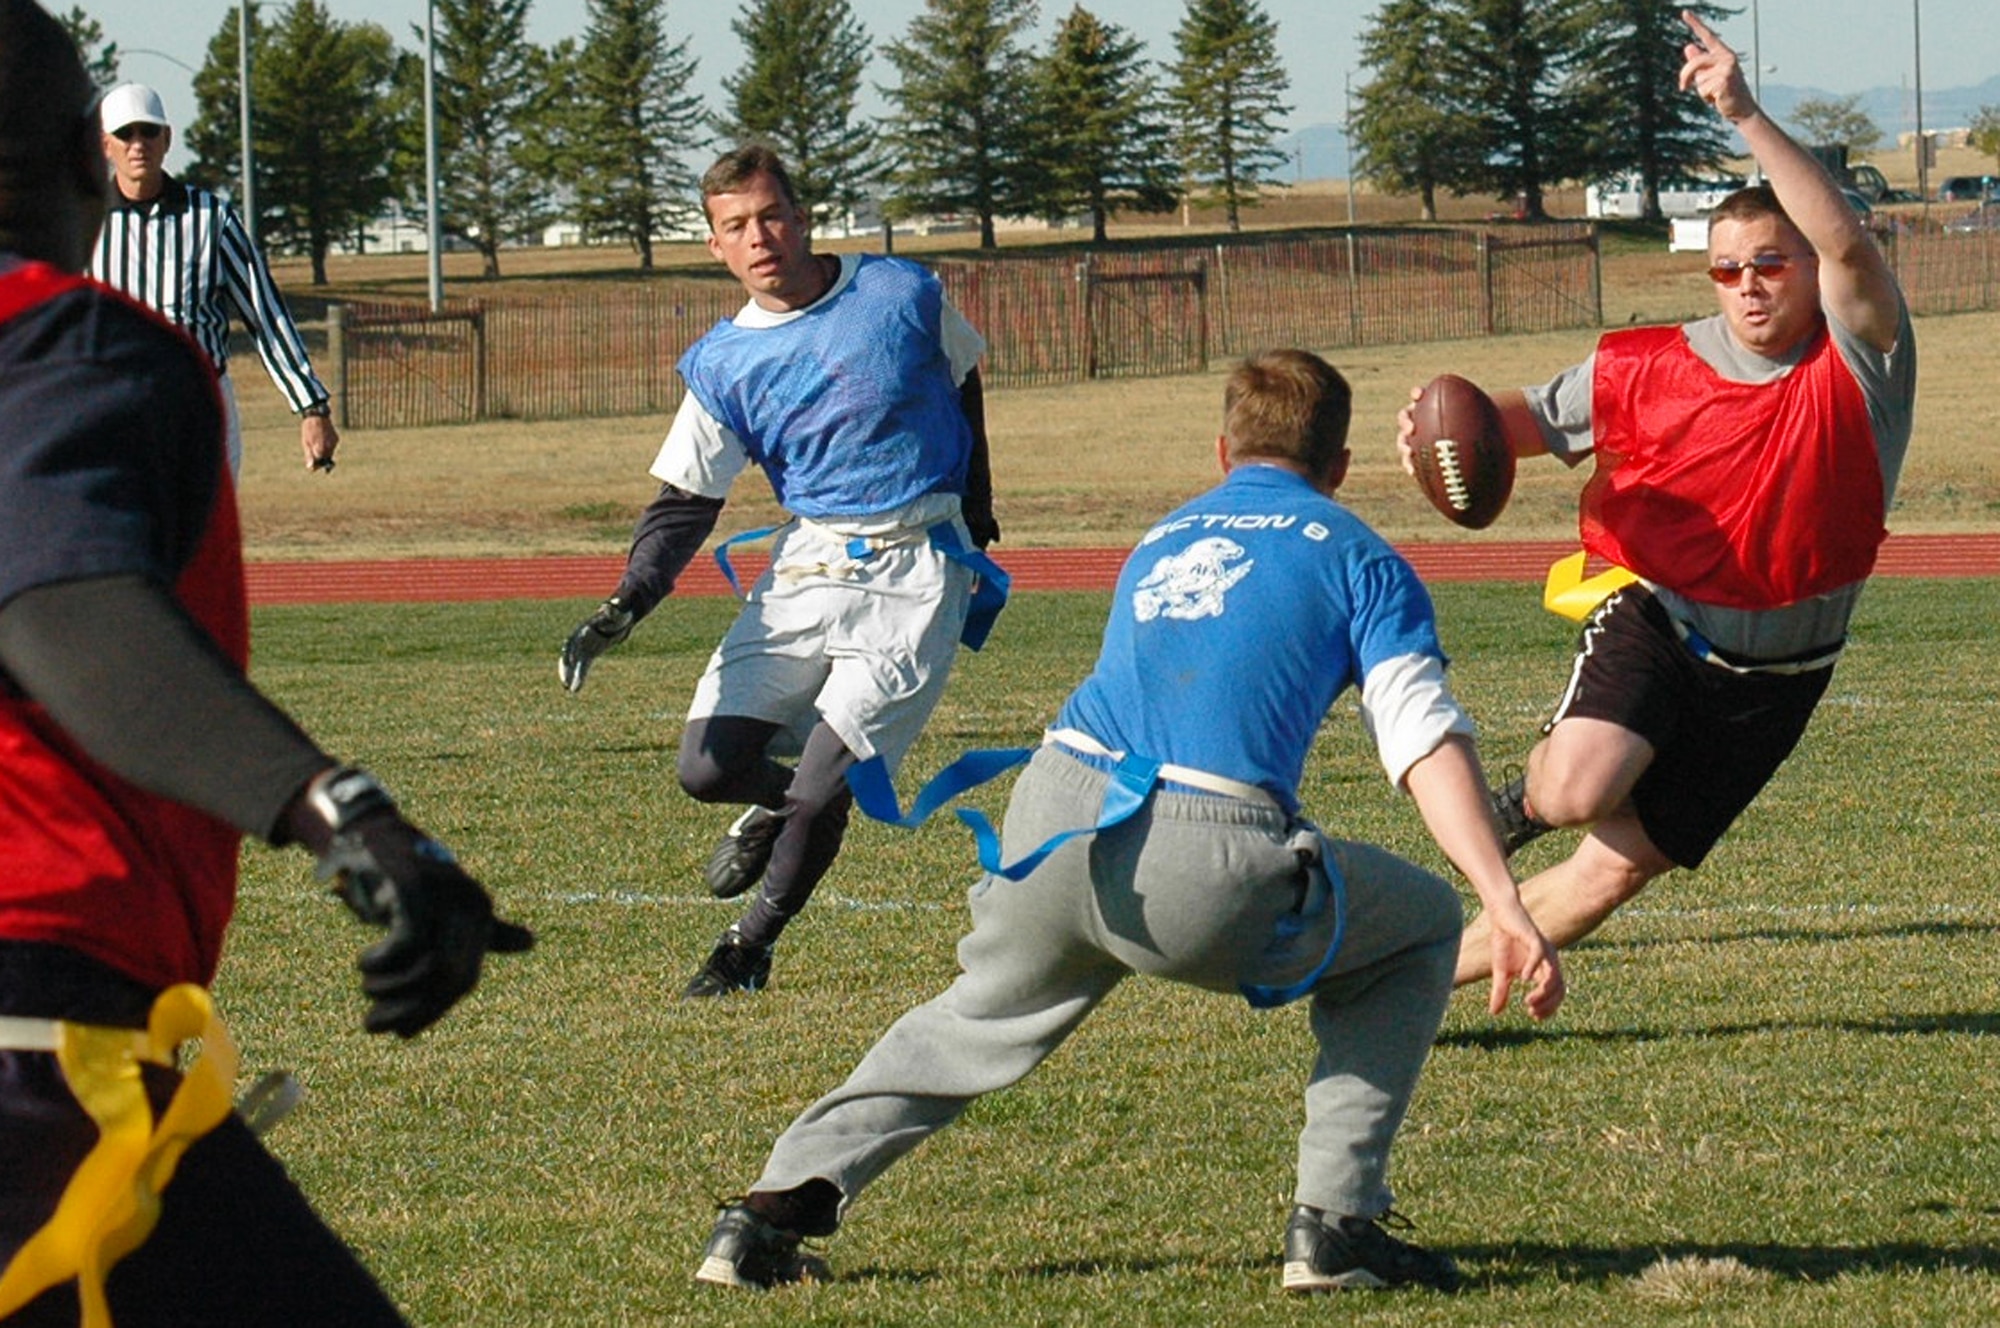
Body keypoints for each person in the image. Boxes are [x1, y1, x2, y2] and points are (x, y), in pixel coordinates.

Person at [692, 349, 1564, 1296]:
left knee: (968, 1021)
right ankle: (1337, 1223)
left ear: (1223, 450)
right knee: (1425, 926)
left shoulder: (1163, 532)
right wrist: (1501, 897)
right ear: (1341, 467)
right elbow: (1422, 739)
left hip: (1054, 816)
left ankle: (766, 1213)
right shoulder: (1357, 554)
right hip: (1198, 855)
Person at [0, 5, 532, 1321]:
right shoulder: (64, 340)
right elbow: (64, 605)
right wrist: (337, 811)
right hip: (32, 1018)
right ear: (86, 158)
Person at [1405, 13, 1916, 990]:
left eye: (1770, 262)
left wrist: (1740, 111)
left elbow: (1849, 246)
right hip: (1666, 620)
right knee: (1572, 792)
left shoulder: (1860, 361)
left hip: (1778, 680)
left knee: (1607, 875)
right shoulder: (1652, 363)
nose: (1748, 285)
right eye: (1726, 269)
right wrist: (1433, 428)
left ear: (1806, 266)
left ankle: (1409, 982)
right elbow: (1520, 422)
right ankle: (1525, 800)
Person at [557, 144, 1001, 1000]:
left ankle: (745, 950)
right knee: (708, 769)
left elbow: (965, 383)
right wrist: (630, 598)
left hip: (919, 566)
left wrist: (979, 517)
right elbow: (684, 501)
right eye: (735, 226)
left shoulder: (901, 293)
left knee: (824, 776)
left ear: (800, 220)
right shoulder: (721, 363)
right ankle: (791, 805)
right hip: (809, 561)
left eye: (769, 216)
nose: (757, 237)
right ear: (715, 245)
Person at [91, 81, 340, 476]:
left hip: (201, 406)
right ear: (106, 145)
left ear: (167, 138)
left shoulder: (210, 218)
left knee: (206, 535)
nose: (138, 144)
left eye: (149, 131)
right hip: (118, 407)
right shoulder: (84, 225)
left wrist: (311, 406)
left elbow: (265, 315)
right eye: (125, 134)